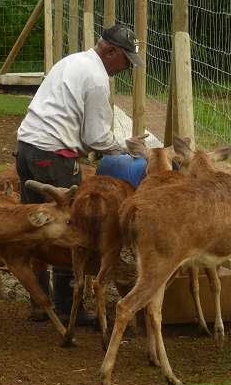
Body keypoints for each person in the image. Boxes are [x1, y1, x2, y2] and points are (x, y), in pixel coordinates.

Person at [15, 23, 144, 326]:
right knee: (71, 226)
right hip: (54, 156)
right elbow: (95, 137)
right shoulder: (97, 79)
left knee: (34, 224)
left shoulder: (72, 61)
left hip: (27, 148)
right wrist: (126, 148)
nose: (126, 68)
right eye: (125, 60)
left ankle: (39, 301)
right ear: (110, 51)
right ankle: (65, 304)